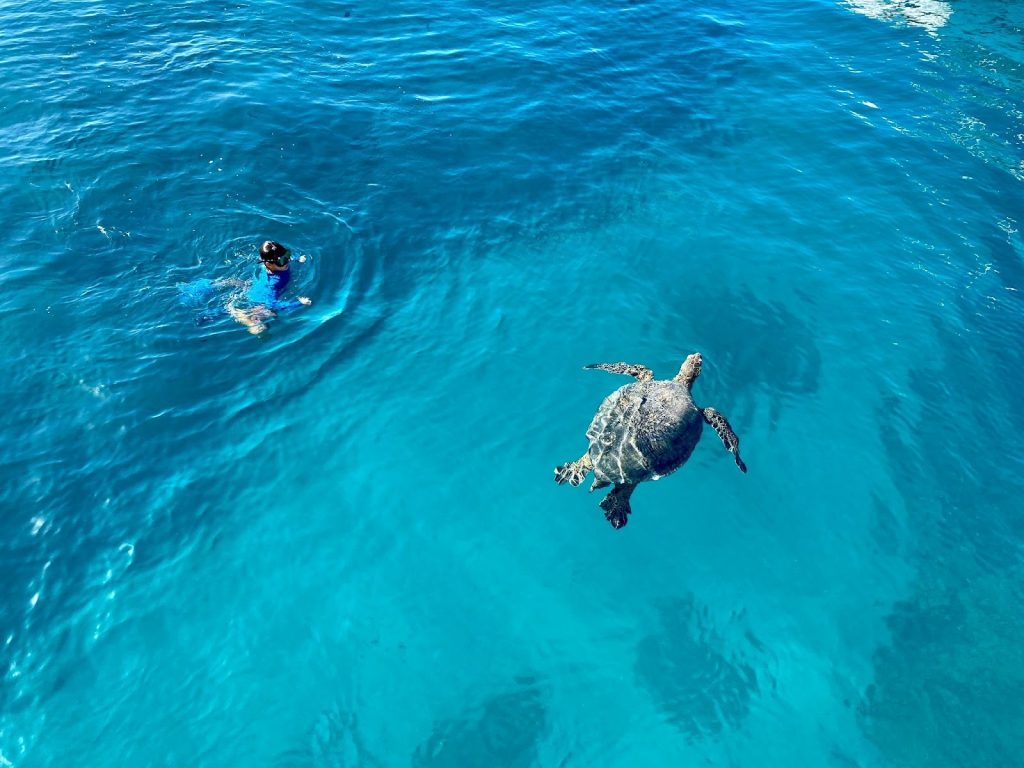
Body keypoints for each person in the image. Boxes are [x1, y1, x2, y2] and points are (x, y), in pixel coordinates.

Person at [228, 240, 312, 334]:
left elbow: (285, 258)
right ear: (269, 265)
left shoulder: (279, 261)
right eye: (282, 261)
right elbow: (273, 304)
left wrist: (298, 259)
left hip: (255, 289)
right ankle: (248, 318)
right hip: (261, 301)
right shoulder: (273, 283)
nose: (287, 261)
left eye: (287, 255)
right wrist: (299, 303)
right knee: (263, 322)